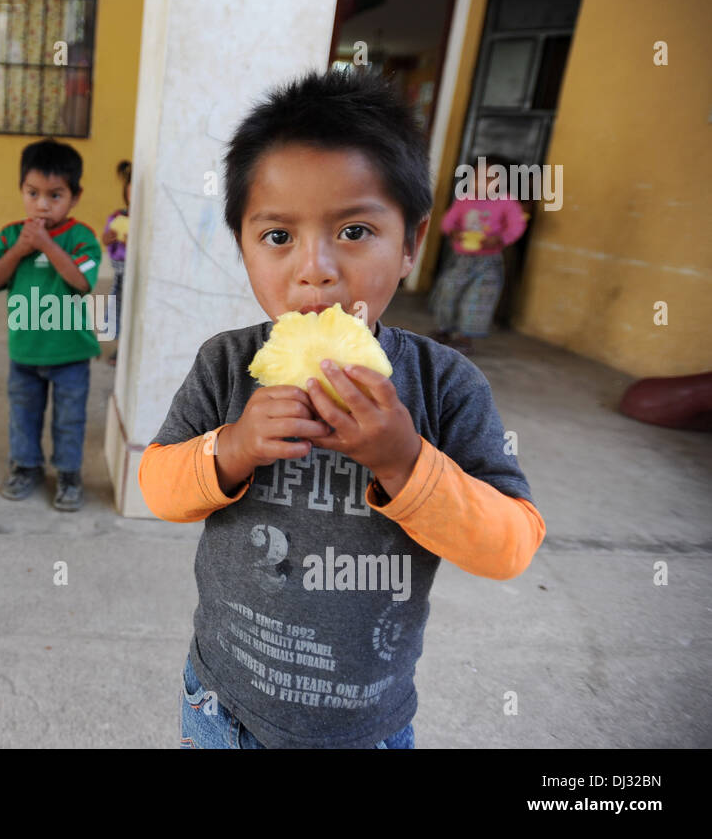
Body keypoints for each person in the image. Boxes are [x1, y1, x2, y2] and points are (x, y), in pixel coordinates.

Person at [138, 69, 546, 749]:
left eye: (354, 229)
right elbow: (158, 486)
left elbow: (511, 543)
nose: (315, 268)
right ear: (242, 246)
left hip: (366, 726)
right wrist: (232, 447)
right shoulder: (226, 364)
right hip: (223, 703)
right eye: (277, 237)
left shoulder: (444, 383)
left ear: (412, 243)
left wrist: (405, 460)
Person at [0, 139, 102, 511]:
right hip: (24, 351)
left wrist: (47, 245)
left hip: (70, 353)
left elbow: (81, 283)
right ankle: (25, 466)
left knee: (69, 418)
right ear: (22, 190)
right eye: (33, 193)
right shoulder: (9, 236)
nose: (42, 204)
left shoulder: (81, 237)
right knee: (23, 413)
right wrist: (20, 249)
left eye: (55, 195)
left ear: (75, 196)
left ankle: (68, 474)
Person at [428, 154, 529, 354]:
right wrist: (454, 232)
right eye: (478, 177)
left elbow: (517, 226)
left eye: (490, 178)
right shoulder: (464, 200)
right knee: (448, 291)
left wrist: (500, 238)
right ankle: (444, 329)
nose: (482, 182)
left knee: (478, 298)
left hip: (488, 262)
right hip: (460, 260)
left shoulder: (507, 202)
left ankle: (465, 337)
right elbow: (447, 222)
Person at [101, 159, 131, 366]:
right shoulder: (118, 216)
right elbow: (105, 239)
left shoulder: (146, 218)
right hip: (120, 272)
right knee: (119, 310)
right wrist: (109, 238)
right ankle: (121, 347)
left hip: (136, 272)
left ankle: (129, 347)